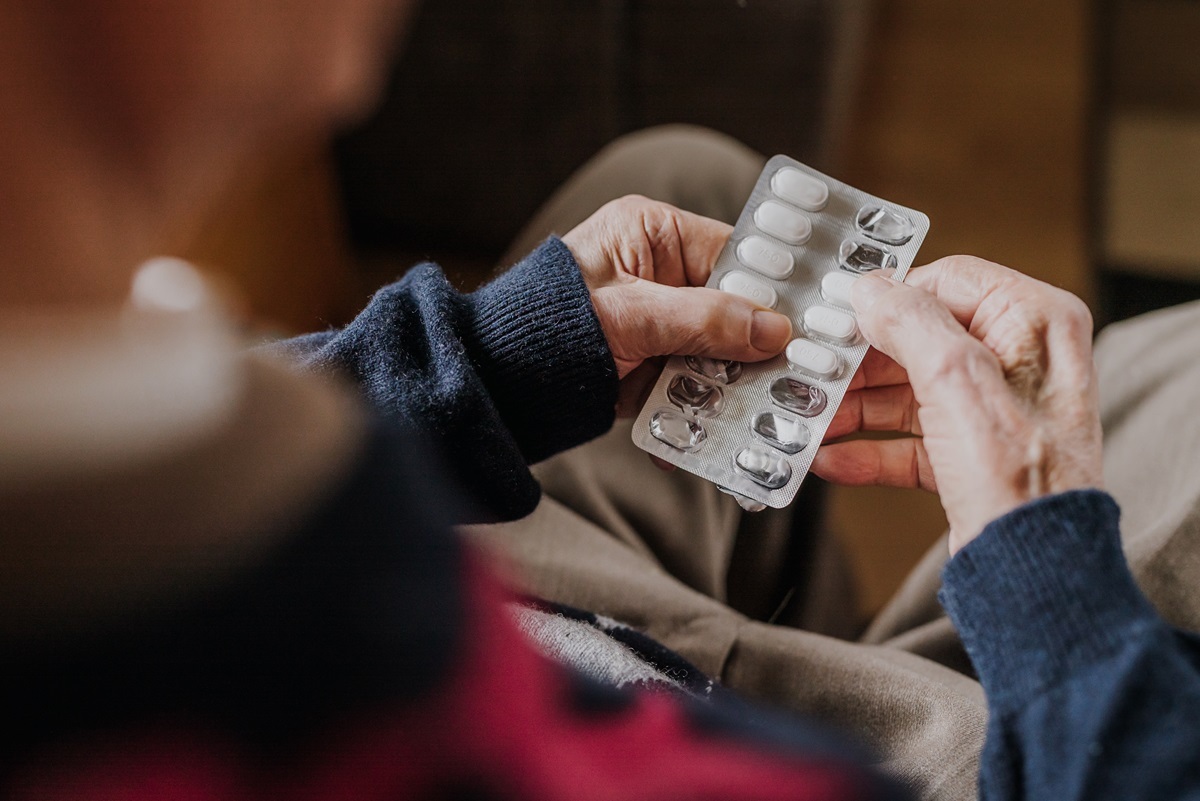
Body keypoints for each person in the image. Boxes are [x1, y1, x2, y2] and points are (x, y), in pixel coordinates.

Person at [3, 5, 1200, 801]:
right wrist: (1047, 582)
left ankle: (823, 632)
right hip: (705, 731)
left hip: (547, 619)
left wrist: (483, 358)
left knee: (681, 177)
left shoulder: (114, 438)